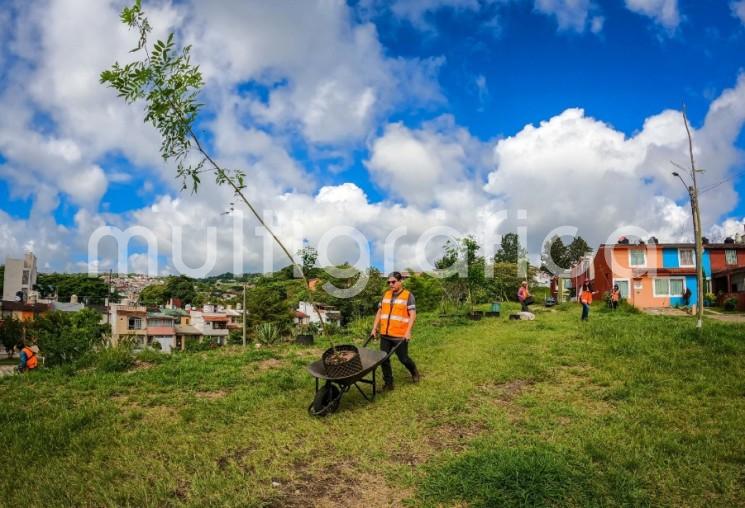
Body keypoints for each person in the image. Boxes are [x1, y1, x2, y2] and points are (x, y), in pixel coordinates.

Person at [370, 271, 420, 392]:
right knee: (383, 359)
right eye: (389, 282)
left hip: (399, 335)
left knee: (403, 359)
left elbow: (412, 315)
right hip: (385, 334)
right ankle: (389, 383)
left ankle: (414, 371)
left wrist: (408, 331)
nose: (391, 284)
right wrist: (374, 327)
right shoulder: (385, 295)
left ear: (400, 281)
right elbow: (380, 311)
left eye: (393, 281)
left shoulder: (408, 296)